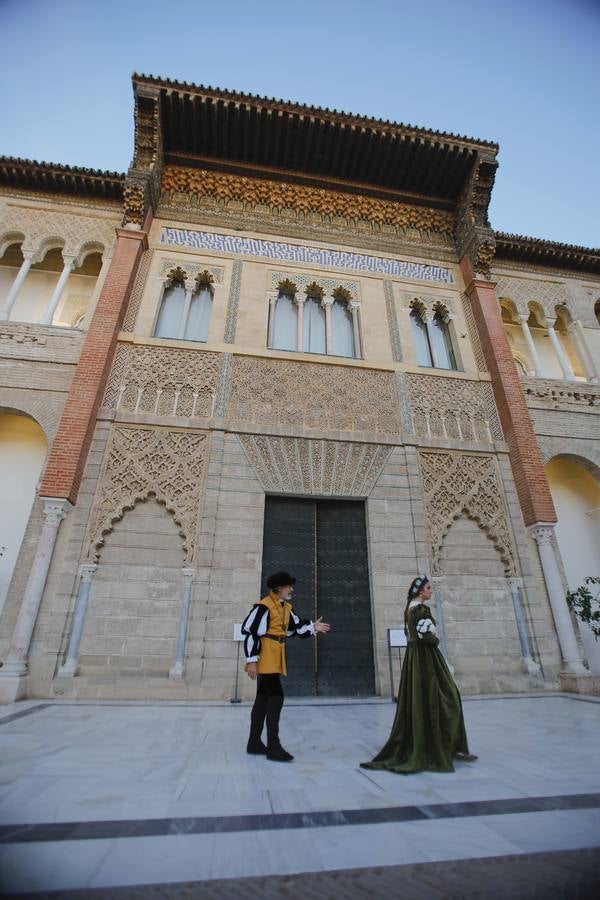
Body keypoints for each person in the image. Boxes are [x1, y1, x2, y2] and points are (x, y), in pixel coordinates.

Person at [361, 575, 477, 774]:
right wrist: (436, 640)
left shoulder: (409, 608)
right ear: (421, 591)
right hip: (427, 658)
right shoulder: (421, 610)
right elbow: (426, 636)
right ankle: (443, 748)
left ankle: (438, 745)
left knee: (421, 700)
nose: (431, 591)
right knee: (449, 697)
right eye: (429, 588)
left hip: (414, 658)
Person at [242, 571, 331, 762]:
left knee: (263, 698)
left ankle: (254, 743)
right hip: (265, 655)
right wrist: (251, 660)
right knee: (276, 697)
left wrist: (313, 627)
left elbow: (296, 627)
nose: (291, 589)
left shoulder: (286, 607)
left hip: (276, 654)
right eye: (288, 586)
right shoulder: (263, 607)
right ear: (278, 588)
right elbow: (250, 632)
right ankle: (273, 747)